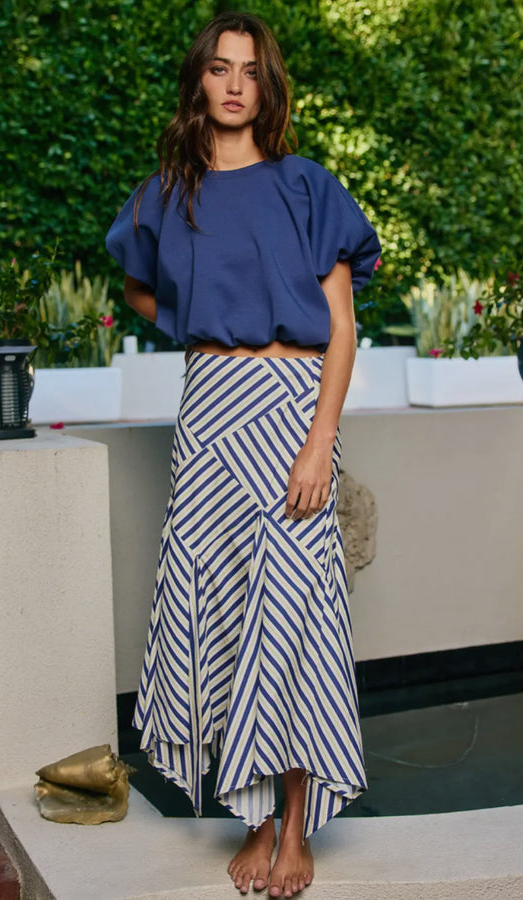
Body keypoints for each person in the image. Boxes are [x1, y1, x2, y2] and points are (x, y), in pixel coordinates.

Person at [106, 10, 381, 898]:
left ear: (268, 87)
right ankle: (256, 819)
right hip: (210, 414)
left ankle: (295, 823)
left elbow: (342, 330)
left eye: (251, 70)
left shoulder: (306, 186)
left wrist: (320, 442)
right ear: (200, 80)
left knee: (295, 613)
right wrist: (202, 326)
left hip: (293, 411)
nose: (234, 84)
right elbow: (137, 288)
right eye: (219, 68)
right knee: (225, 612)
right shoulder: (168, 193)